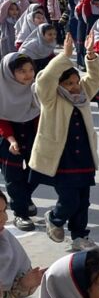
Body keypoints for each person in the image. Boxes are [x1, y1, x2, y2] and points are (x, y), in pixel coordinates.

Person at [31, 35, 99, 251]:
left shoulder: (83, 94)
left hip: (84, 158)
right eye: (68, 83)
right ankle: (54, 218)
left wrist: (90, 54)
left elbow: (95, 78)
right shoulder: (50, 98)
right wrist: (65, 56)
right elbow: (45, 80)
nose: (74, 87)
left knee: (83, 201)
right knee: (70, 199)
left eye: (76, 82)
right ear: (59, 85)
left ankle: (80, 236)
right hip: (62, 159)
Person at [0, 52, 41, 231]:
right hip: (8, 137)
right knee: (13, 177)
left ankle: (24, 198)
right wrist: (11, 140)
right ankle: (20, 213)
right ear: (10, 73)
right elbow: (1, 119)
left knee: (38, 170)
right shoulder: (2, 89)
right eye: (22, 71)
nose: (28, 74)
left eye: (31, 69)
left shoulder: (35, 88)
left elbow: (39, 113)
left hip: (32, 133)